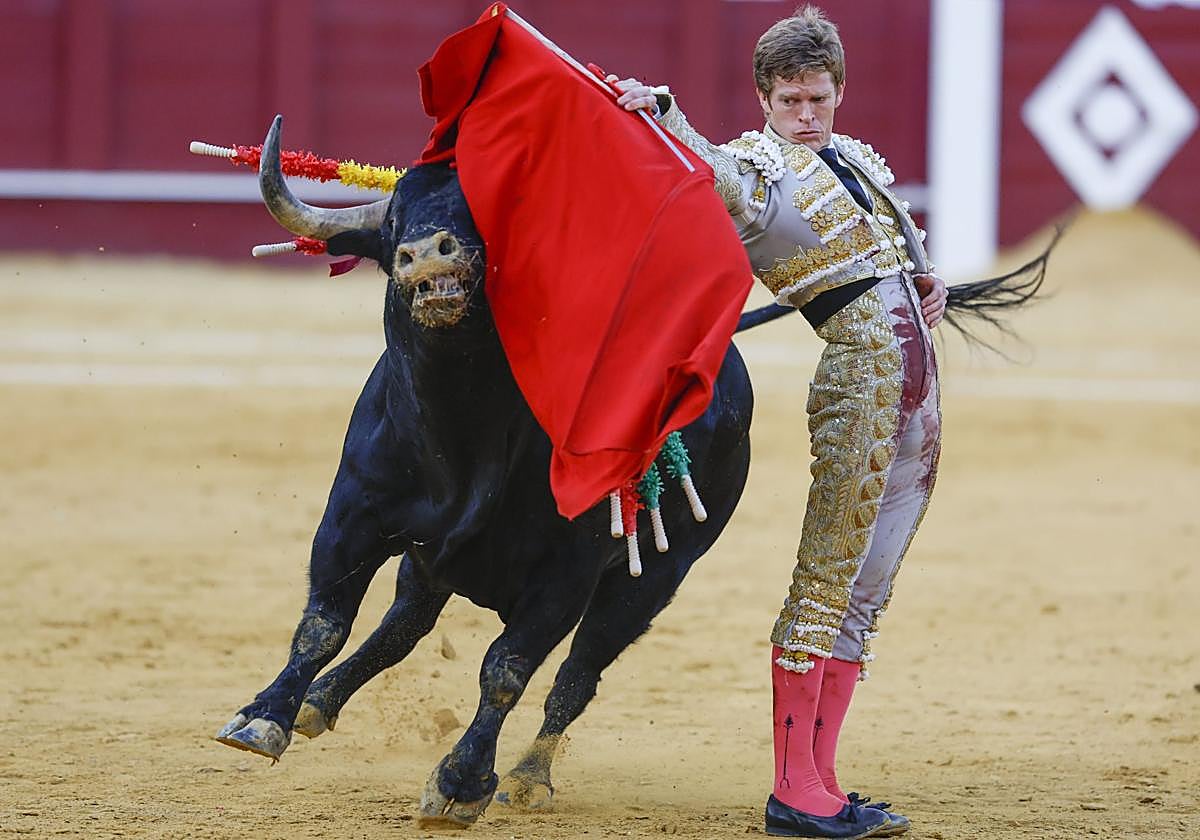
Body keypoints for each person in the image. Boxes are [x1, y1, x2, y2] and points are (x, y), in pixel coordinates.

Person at [614, 6, 946, 838]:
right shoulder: (756, 165)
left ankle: (824, 781)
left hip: (919, 389)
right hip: (862, 381)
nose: (805, 115)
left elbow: (903, 254)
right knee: (828, 576)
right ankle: (794, 790)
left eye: (818, 100)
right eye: (790, 100)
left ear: (838, 93)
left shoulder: (857, 159)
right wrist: (664, 114)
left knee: (868, 586)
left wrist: (926, 283)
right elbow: (713, 173)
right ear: (764, 97)